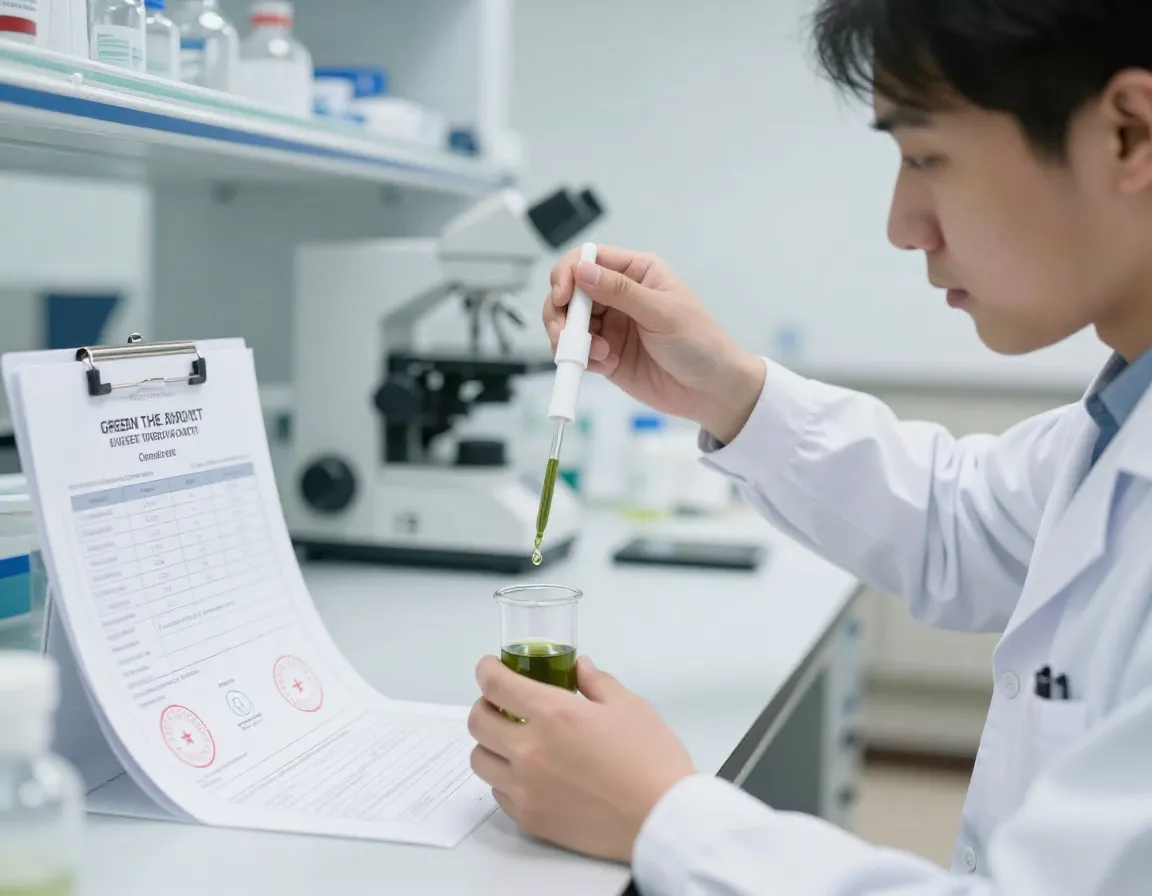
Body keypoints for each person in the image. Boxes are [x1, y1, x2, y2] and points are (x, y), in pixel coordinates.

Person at [467, 0, 1152, 892]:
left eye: (925, 157)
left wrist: (660, 814)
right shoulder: (1121, 413)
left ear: (1129, 135)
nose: (904, 225)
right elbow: (966, 518)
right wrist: (727, 388)